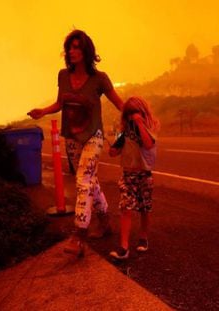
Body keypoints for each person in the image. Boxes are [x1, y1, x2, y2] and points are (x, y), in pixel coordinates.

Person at [28, 29, 123, 257]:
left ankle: (78, 235)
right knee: (91, 181)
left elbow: (120, 104)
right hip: (72, 138)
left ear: (86, 50)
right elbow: (60, 103)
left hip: (93, 136)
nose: (72, 51)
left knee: (83, 180)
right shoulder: (63, 76)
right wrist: (43, 111)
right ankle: (105, 222)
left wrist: (138, 115)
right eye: (70, 47)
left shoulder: (99, 79)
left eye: (77, 47)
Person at [108, 96, 160, 260]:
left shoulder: (150, 128)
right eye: (129, 113)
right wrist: (113, 148)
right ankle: (124, 247)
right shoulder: (125, 133)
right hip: (127, 175)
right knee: (125, 208)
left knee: (144, 208)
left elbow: (148, 144)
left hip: (144, 174)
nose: (132, 116)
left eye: (135, 112)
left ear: (143, 112)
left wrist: (140, 124)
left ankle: (143, 237)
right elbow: (114, 152)